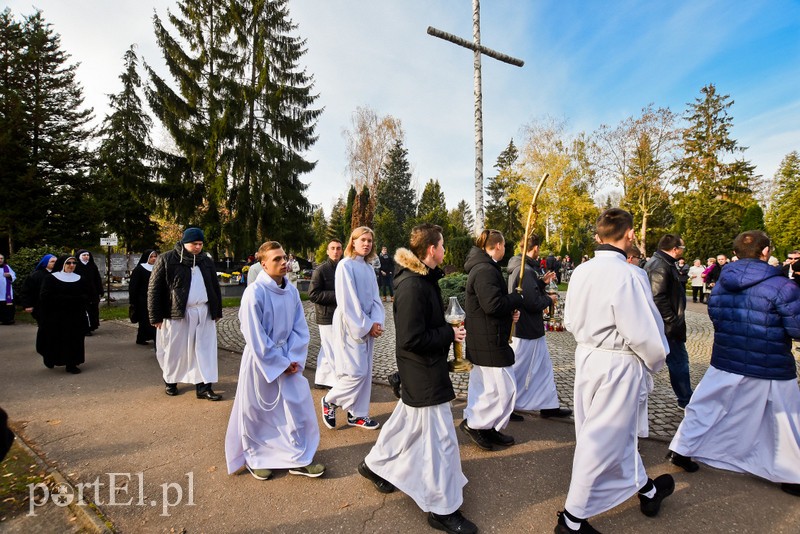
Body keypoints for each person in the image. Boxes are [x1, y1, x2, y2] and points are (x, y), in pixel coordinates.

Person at [556, 208, 673, 534]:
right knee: (600, 440)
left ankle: (647, 491)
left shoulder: (580, 271)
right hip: (618, 363)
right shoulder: (629, 275)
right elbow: (643, 331)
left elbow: (568, 321)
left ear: (598, 236)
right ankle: (572, 519)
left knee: (612, 434)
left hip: (588, 358)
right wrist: (655, 360)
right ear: (630, 234)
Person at [360, 223, 477, 534]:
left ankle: (374, 465)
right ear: (430, 250)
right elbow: (411, 338)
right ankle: (442, 509)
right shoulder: (413, 286)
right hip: (422, 373)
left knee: (405, 425)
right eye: (441, 245)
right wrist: (448, 333)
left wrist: (448, 331)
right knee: (441, 442)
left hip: (424, 370)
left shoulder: (423, 280)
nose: (443, 250)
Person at [668, 230, 800, 498]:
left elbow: (715, 317)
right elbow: (796, 327)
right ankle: (792, 474)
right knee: (785, 418)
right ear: (766, 252)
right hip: (770, 361)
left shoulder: (721, 284)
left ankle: (682, 448)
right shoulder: (783, 287)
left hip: (728, 357)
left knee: (705, 407)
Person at [225, 241, 325, 480]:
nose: (283, 263)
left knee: (295, 408)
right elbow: (254, 334)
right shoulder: (254, 293)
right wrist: (278, 363)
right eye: (277, 259)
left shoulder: (290, 291)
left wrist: (293, 359)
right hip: (262, 361)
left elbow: (300, 329)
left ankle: (297, 457)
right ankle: (255, 457)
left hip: (289, 359)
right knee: (258, 411)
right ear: (263, 264)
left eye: (284, 258)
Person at [460, 229, 524, 451]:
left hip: (486, 337)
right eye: (504, 246)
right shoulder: (485, 270)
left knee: (488, 387)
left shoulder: (485, 267)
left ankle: (487, 427)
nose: (504, 250)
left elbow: (491, 304)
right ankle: (476, 425)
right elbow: (492, 305)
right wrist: (515, 299)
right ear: (498, 246)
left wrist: (509, 310)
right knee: (503, 388)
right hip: (488, 339)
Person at [148, 227, 223, 400]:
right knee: (175, 350)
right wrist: (155, 316)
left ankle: (204, 387)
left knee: (204, 350)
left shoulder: (206, 260)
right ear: (184, 243)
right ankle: (171, 381)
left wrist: (216, 310)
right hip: (177, 313)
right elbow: (154, 289)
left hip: (203, 312)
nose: (198, 247)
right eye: (194, 244)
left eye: (200, 244)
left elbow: (214, 286)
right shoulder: (166, 259)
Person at [321, 226, 384, 430]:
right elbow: (348, 301)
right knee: (355, 372)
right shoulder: (345, 265)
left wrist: (376, 322)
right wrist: (366, 325)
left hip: (367, 323)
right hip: (351, 324)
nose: (367, 244)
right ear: (353, 242)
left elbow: (376, 299)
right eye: (362, 240)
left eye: (370, 241)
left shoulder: (367, 268)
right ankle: (330, 400)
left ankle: (357, 414)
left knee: (365, 372)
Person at [507, 233, 572, 420]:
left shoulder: (523, 268)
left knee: (544, 369)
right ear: (535, 248)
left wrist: (541, 283)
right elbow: (531, 302)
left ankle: (548, 405)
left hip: (531, 328)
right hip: (526, 329)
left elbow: (529, 291)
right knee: (519, 368)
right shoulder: (525, 270)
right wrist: (548, 299)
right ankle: (508, 406)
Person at [644, 234, 693, 409]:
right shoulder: (660, 266)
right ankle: (685, 399)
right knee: (679, 361)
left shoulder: (663, 263)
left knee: (677, 360)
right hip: (668, 326)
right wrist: (672, 320)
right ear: (675, 249)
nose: (683, 251)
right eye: (683, 248)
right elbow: (657, 297)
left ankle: (685, 397)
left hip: (667, 324)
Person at [37, 255, 88, 374]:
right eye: (68, 263)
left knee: (75, 339)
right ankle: (50, 358)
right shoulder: (51, 278)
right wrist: (67, 299)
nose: (71, 265)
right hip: (56, 315)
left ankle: (72, 363)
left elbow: (86, 294)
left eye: (74, 263)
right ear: (62, 264)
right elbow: (45, 296)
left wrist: (80, 300)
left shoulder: (80, 278)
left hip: (75, 315)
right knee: (56, 338)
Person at [308, 239, 343, 389]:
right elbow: (313, 294)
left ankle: (321, 378)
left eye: (338, 248)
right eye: (333, 248)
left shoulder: (344, 267)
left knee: (327, 347)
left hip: (340, 315)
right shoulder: (320, 270)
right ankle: (335, 382)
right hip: (326, 315)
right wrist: (338, 295)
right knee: (331, 348)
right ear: (328, 251)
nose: (336, 251)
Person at [22, 254, 56, 355]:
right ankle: (42, 347)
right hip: (40, 307)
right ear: (45, 263)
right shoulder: (36, 275)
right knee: (44, 328)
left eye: (56, 261)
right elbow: (26, 291)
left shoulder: (58, 274)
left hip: (55, 307)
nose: (54, 263)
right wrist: (27, 305)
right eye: (52, 261)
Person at [129, 250, 158, 346]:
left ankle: (151, 337)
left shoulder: (158, 268)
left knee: (154, 319)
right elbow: (134, 286)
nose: (154, 258)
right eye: (151, 257)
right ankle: (142, 337)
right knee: (144, 320)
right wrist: (133, 300)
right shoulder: (139, 269)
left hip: (155, 298)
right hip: (142, 299)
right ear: (146, 258)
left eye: (155, 256)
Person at [74, 250, 103, 334]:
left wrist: (100, 290)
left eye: (87, 255)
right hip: (81, 292)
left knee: (93, 310)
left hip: (93, 292)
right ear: (79, 257)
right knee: (85, 311)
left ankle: (92, 325)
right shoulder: (76, 266)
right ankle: (85, 328)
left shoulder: (92, 265)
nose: (86, 257)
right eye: (84, 255)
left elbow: (97, 279)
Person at [0, 254, 17, 325]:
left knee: (8, 307)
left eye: (1, 258)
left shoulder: (6, 267)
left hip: (6, 291)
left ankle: (9, 320)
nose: (0, 260)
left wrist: (9, 275)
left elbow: (13, 275)